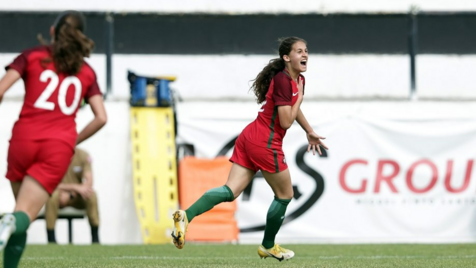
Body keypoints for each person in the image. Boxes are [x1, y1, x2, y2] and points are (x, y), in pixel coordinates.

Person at [171, 36, 328, 261]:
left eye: (306, 51)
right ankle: (268, 245)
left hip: (250, 136)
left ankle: (185, 216)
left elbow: (291, 109)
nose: (305, 55)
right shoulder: (286, 81)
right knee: (285, 195)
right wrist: (300, 99)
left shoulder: (297, 80)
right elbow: (285, 120)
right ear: (286, 57)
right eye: (299, 51)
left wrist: (308, 130)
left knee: (230, 191)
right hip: (266, 142)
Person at [0, 10, 107, 268]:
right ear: (79, 35)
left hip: (23, 139)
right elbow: (101, 117)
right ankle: (7, 222)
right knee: (23, 215)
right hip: (56, 147)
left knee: (21, 213)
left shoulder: (33, 56)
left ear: (52, 31)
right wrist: (72, 140)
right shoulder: (86, 71)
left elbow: (1, 90)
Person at [45, 148, 100, 244]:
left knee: (92, 195)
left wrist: (71, 195)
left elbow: (89, 182)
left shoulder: (83, 155)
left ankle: (95, 239)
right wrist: (75, 187)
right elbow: (50, 183)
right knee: (53, 195)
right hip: (59, 196)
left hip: (76, 197)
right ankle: (51, 239)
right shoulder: (53, 155)